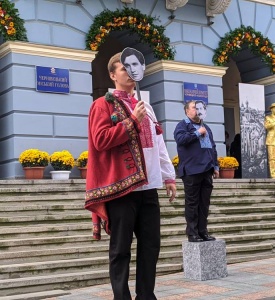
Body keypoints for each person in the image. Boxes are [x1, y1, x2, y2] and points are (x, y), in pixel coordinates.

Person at [84, 52, 176, 299]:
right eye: (124, 68)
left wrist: (168, 176)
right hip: (122, 190)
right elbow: (101, 140)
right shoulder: (101, 105)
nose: (130, 72)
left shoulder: (146, 107)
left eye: (134, 67)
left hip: (149, 189)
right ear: (113, 75)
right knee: (120, 249)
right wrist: (131, 121)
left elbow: (158, 143)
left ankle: (146, 295)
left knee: (150, 247)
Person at [174, 100, 219, 242]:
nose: (197, 110)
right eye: (194, 108)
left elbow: (212, 147)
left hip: (207, 170)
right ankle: (192, 233)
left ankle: (203, 231)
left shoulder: (206, 127)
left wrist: (215, 166)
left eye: (200, 108)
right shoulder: (182, 125)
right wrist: (197, 133)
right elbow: (180, 139)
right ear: (187, 111)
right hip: (192, 171)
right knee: (192, 203)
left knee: (204, 203)